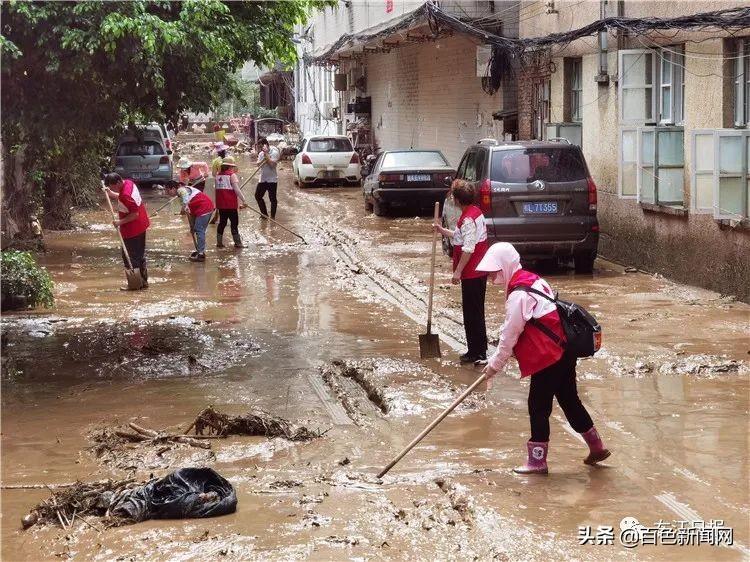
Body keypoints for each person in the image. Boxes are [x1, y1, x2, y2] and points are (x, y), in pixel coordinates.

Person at [476, 242, 611, 474]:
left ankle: (537, 461)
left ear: (505, 266)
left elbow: (509, 335)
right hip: (564, 350)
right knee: (569, 399)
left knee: (538, 406)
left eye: (494, 271)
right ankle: (596, 445)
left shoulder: (519, 294)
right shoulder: (533, 279)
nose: (491, 277)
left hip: (548, 356)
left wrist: (493, 366)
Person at [433, 180, 489, 365]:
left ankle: (477, 352)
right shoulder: (475, 213)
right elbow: (460, 236)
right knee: (475, 311)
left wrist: (457, 272)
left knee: (472, 313)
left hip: (473, 272)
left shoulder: (468, 219)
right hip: (478, 271)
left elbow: (468, 248)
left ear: (457, 200)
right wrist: (442, 230)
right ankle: (479, 348)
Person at [102, 173, 150, 289]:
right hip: (142, 225)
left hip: (133, 229)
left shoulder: (126, 196)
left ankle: (134, 285)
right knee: (139, 255)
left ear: (118, 182)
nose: (112, 188)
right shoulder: (129, 183)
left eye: (113, 187)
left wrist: (119, 222)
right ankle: (143, 282)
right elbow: (123, 196)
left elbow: (134, 214)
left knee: (129, 257)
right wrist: (111, 193)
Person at [165, 180, 215, 262]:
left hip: (204, 208)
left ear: (173, 188)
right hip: (201, 208)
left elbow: (185, 198)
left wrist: (185, 205)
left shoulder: (181, 190)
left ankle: (201, 254)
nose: (167, 193)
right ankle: (199, 251)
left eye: (167, 190)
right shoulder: (181, 192)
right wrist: (192, 225)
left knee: (199, 230)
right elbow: (190, 212)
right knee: (196, 229)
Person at [214, 156, 248, 248]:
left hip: (221, 205)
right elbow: (237, 190)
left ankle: (219, 243)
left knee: (222, 223)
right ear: (230, 167)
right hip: (231, 205)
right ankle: (238, 243)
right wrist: (244, 200)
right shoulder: (232, 175)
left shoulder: (218, 175)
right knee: (234, 223)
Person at [255, 137, 280, 219]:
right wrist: (264, 157)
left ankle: (273, 217)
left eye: (262, 146)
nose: (261, 149)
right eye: (260, 147)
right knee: (258, 196)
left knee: (272, 199)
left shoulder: (274, 152)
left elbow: (272, 165)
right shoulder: (261, 153)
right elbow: (258, 164)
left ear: (266, 145)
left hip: (272, 180)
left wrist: (267, 155)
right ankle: (264, 214)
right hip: (263, 179)